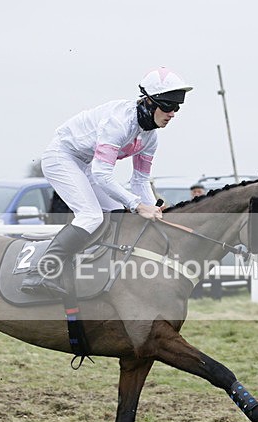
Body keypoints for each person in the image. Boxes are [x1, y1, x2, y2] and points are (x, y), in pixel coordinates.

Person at [21, 66, 192, 295]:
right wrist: (139, 206)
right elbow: (103, 175)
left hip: (85, 164)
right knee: (91, 216)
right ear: (149, 102)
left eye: (177, 108)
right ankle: (41, 273)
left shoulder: (150, 138)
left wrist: (152, 208)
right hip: (61, 157)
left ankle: (98, 268)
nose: (173, 114)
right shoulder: (119, 123)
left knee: (119, 216)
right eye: (169, 106)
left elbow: (140, 180)